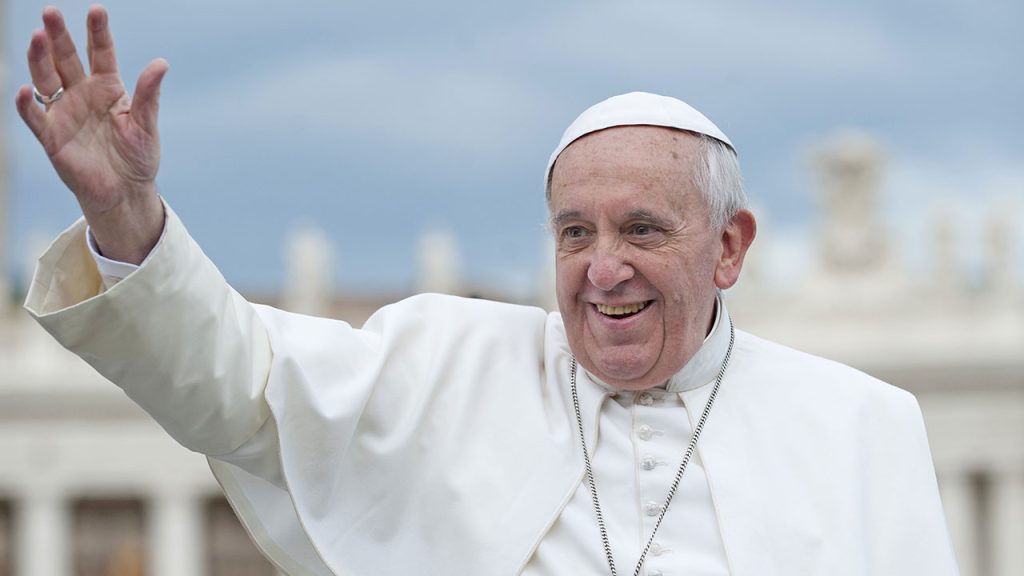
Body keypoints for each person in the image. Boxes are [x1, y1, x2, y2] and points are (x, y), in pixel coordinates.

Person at [18, 6, 959, 576]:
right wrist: (127, 219)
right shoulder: (442, 363)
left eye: (642, 230)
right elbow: (239, 383)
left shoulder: (862, 427)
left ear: (729, 248)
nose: (603, 269)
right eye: (575, 233)